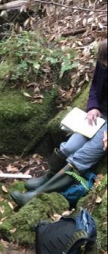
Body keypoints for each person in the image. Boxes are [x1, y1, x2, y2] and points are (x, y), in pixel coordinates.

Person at [12, 39, 108, 206]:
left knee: (81, 157)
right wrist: (93, 106)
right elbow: (94, 87)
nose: (105, 66)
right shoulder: (103, 60)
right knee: (69, 147)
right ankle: (48, 177)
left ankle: (36, 195)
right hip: (100, 114)